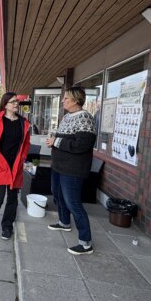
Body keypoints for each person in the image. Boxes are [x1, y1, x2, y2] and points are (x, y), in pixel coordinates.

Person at [46, 86, 97, 255]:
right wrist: (54, 141)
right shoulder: (67, 116)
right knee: (57, 195)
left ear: (76, 100)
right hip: (58, 167)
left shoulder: (85, 118)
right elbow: (63, 140)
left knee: (73, 203)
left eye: (66, 98)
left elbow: (82, 145)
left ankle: (85, 243)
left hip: (73, 170)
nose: (63, 100)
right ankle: (64, 222)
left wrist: (56, 142)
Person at [0, 93, 31, 240]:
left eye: (17, 101)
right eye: (13, 101)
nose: (16, 104)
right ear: (5, 104)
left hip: (15, 165)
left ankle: (7, 226)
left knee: (12, 198)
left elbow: (26, 143)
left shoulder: (23, 122)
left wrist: (23, 157)